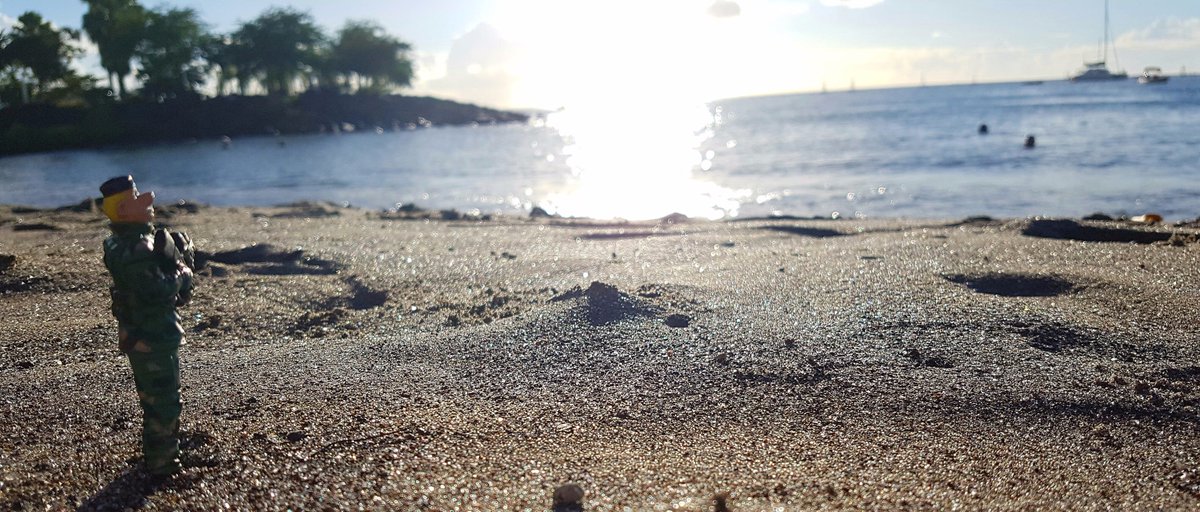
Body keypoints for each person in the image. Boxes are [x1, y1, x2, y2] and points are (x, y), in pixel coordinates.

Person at [99, 175, 195, 478]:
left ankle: (163, 453)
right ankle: (163, 464)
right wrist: (181, 268)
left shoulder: (124, 242)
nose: (149, 200)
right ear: (125, 210)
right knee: (162, 401)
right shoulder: (137, 248)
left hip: (148, 331)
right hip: (150, 335)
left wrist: (171, 258)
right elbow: (160, 291)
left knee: (160, 398)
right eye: (138, 197)